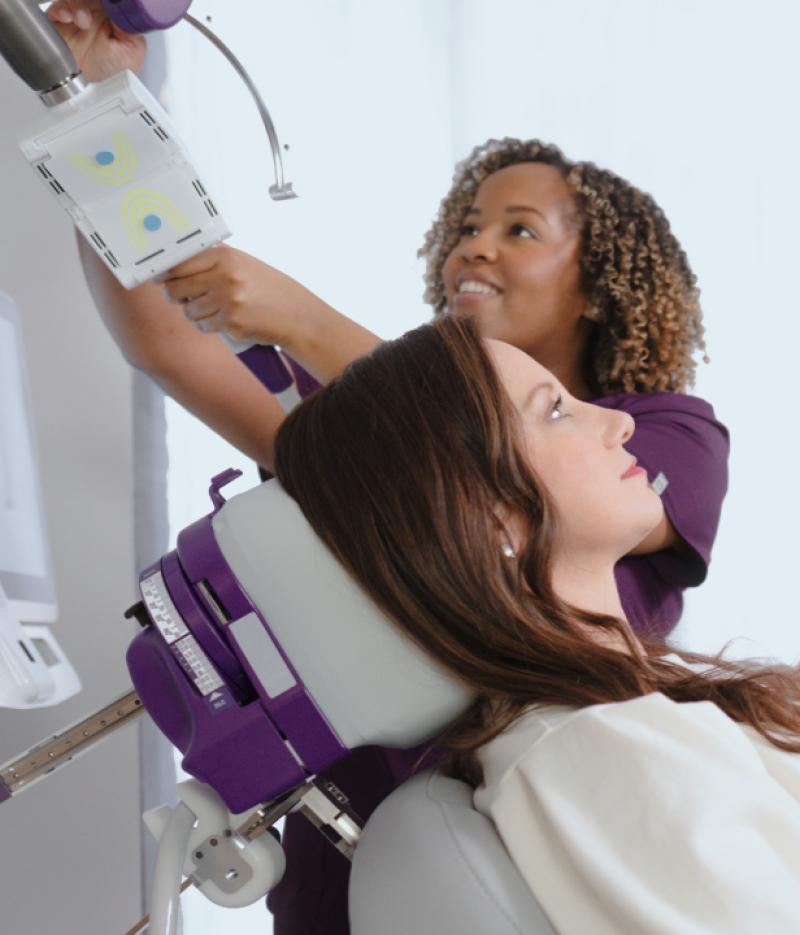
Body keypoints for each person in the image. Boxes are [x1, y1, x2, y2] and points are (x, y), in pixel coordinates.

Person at [46, 4, 730, 932]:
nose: (473, 245)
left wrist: (303, 320)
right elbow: (169, 339)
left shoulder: (661, 434)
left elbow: (499, 461)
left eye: (520, 230)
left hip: (546, 877)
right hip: (350, 878)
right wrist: (94, 97)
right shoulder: (369, 435)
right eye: (469, 223)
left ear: (600, 278)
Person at [274, 312, 800, 935]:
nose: (621, 421)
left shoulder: (627, 706)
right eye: (555, 411)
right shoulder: (599, 750)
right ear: (488, 519)